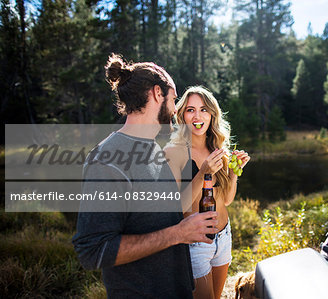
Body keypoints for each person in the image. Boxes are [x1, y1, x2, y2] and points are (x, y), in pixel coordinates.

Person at [72, 54, 218, 298]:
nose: (175, 110)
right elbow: (92, 250)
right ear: (157, 93)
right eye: (173, 99)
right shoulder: (107, 159)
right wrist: (178, 233)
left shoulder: (153, 149)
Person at [165, 86, 250, 299]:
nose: (197, 116)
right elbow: (179, 206)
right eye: (190, 110)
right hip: (196, 243)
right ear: (182, 114)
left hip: (224, 237)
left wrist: (233, 172)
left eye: (203, 109)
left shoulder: (218, 150)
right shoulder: (173, 153)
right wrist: (203, 172)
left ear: (212, 114)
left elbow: (227, 200)